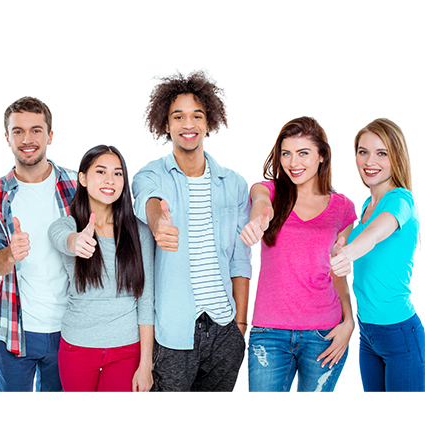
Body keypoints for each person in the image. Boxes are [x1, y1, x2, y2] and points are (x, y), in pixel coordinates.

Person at [132, 70, 251, 391]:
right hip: (173, 333)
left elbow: (241, 261)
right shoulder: (150, 174)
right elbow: (147, 200)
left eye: (197, 116)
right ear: (165, 124)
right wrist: (159, 224)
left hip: (226, 328)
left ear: (209, 122)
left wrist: (239, 325)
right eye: (178, 116)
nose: (188, 125)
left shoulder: (235, 184)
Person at [241, 117, 356, 392]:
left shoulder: (343, 208)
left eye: (303, 153)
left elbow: (337, 274)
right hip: (269, 335)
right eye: (286, 153)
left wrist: (349, 321)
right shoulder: (267, 191)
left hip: (324, 334)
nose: (294, 163)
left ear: (321, 157)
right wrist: (258, 220)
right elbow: (260, 203)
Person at [0, 96, 78, 392]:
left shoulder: (76, 184)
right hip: (15, 328)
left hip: (69, 328)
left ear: (50, 135)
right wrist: (10, 254)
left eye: (36, 130)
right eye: (18, 131)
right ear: (7, 138)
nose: (27, 139)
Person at [48, 145, 154, 392]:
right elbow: (59, 236)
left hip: (127, 350)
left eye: (118, 174)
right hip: (77, 348)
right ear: (83, 178)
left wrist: (146, 364)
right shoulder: (68, 225)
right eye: (101, 172)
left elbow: (146, 301)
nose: (110, 180)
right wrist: (76, 242)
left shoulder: (140, 233)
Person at [331, 118, 425, 391]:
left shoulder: (401, 200)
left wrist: (347, 252)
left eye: (381, 153)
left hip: (400, 335)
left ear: (396, 157)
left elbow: (375, 235)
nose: (370, 161)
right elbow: (363, 233)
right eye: (363, 152)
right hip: (369, 334)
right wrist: (341, 242)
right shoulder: (367, 206)